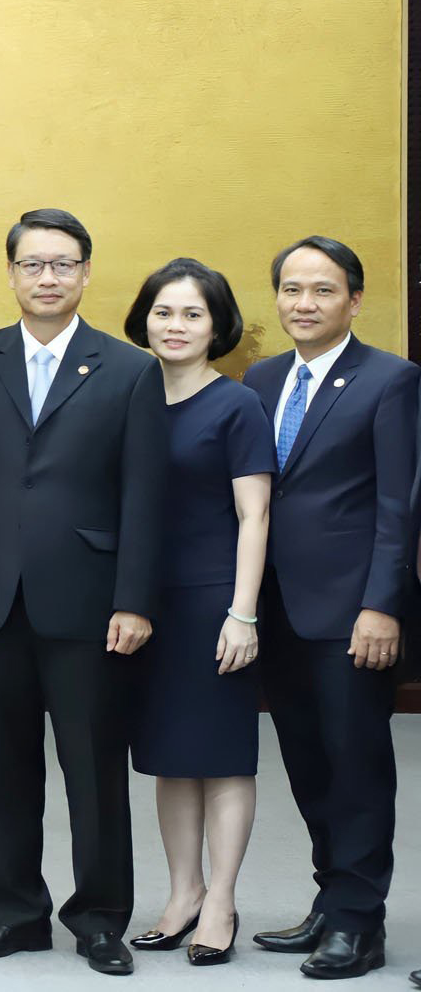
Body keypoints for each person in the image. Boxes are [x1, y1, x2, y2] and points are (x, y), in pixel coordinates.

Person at [0, 209, 166, 977]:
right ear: (10, 274)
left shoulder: (130, 367)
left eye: (63, 264)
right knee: (2, 767)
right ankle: (11, 912)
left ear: (85, 274)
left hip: (92, 599)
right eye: (34, 264)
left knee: (94, 768)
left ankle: (100, 916)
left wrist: (135, 599)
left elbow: (146, 494)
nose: (48, 278)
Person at [242, 236, 414, 981]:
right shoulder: (261, 376)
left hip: (351, 614)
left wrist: (383, 604)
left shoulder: (391, 379)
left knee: (356, 768)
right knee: (309, 765)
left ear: (353, 298)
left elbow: (398, 506)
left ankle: (358, 922)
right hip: (275, 610)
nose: (303, 303)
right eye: (291, 289)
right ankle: (329, 897)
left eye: (322, 290)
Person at [118, 258, 269, 967]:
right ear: (144, 318)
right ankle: (181, 893)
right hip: (149, 603)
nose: (175, 326)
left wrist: (243, 612)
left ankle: (222, 901)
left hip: (216, 599)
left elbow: (255, 513)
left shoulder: (235, 404)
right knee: (170, 757)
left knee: (222, 757)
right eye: (163, 312)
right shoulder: (130, 393)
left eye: (192, 314)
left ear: (218, 326)